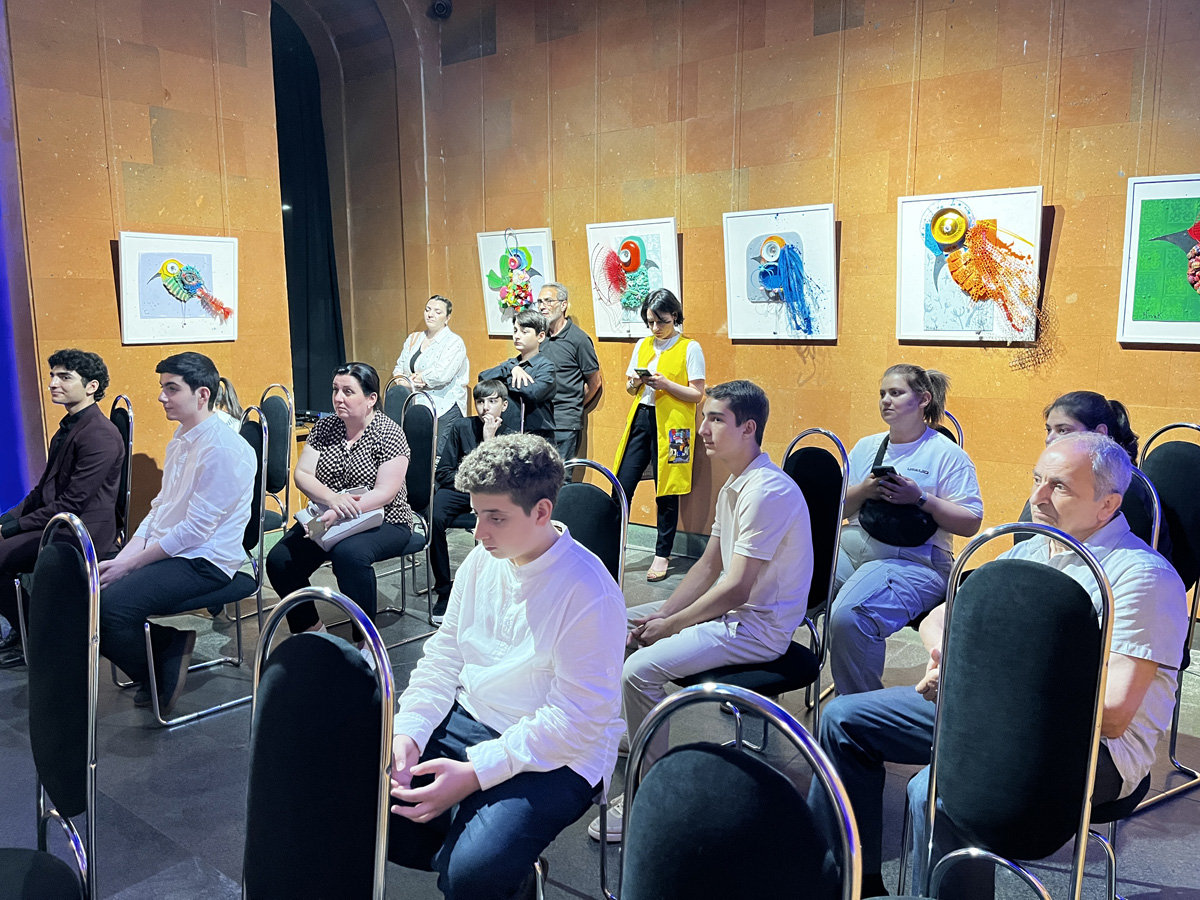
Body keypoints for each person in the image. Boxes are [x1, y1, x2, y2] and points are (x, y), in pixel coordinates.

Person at [816, 433, 1188, 899]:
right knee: (843, 719)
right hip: (990, 716)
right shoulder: (1032, 549)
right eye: (1037, 479)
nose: (1038, 497)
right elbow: (938, 619)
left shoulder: (1143, 577)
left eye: (1059, 486)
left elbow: (1112, 715)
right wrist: (949, 659)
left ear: (1108, 505)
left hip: (1086, 750)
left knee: (937, 793)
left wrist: (976, 685)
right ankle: (851, 882)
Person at [388, 434, 625, 900]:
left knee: (472, 875)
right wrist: (409, 731)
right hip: (473, 716)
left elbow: (577, 720)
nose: (479, 533)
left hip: (563, 755)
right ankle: (496, 863)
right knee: (365, 805)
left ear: (541, 512)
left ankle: (500, 871)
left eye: (495, 517)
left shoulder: (589, 591)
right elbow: (444, 655)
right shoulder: (482, 560)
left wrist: (476, 773)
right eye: (477, 514)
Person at [590, 380, 813, 843]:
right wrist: (662, 616)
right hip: (734, 612)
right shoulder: (735, 482)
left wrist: (671, 624)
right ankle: (639, 729)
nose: (703, 429)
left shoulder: (766, 491)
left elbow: (736, 587)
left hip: (758, 627)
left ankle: (647, 794)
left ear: (748, 428)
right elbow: (708, 566)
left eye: (715, 419)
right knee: (617, 621)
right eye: (705, 417)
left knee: (638, 671)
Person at [98, 352, 255, 714]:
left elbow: (195, 532)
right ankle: (162, 653)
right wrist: (125, 557)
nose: (161, 397)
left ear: (202, 395)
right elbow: (160, 510)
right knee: (91, 592)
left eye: (171, 388)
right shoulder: (182, 437)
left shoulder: (224, 449)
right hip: (174, 551)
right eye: (162, 387)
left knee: (109, 609)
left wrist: (130, 565)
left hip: (207, 561)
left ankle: (161, 657)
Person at [829, 364, 983, 695]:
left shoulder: (947, 454)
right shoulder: (867, 446)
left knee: (849, 617)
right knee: (785, 582)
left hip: (916, 561)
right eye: (882, 394)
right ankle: (760, 679)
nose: (886, 400)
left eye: (896, 393)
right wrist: (865, 490)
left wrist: (920, 498)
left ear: (923, 399)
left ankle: (857, 711)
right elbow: (837, 509)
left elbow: (971, 521)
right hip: (854, 544)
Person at [266, 362, 413, 644]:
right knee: (280, 560)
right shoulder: (325, 427)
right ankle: (314, 633)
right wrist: (332, 500)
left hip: (386, 519)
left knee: (349, 555)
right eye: (335, 390)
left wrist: (340, 510)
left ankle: (366, 642)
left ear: (371, 399)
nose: (338, 398)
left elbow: (385, 492)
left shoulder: (389, 432)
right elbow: (302, 474)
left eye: (348, 391)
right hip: (328, 516)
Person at [0, 349, 125, 669]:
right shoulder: (70, 426)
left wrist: (14, 528)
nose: (53, 383)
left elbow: (71, 503)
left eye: (65, 377)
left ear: (92, 386)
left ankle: (37, 636)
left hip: (83, 530)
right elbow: (42, 490)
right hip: (59, 520)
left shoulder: (99, 434)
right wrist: (6, 519)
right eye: (53, 376)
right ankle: (28, 629)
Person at [613, 289, 706, 583]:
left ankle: (662, 554)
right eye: (650, 321)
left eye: (661, 321)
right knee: (621, 484)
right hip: (642, 417)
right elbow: (630, 388)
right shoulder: (643, 345)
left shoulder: (690, 347)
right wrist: (636, 382)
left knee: (667, 491)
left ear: (674, 316)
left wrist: (666, 384)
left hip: (675, 427)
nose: (655, 328)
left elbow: (697, 394)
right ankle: (612, 545)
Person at [1018, 390, 1172, 561]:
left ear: (1099, 433)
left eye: (1063, 430)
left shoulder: (1122, 488)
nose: (1050, 439)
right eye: (1049, 430)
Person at [429, 379, 511, 623]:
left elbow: (502, 479)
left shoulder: (511, 435)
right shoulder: (462, 426)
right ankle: (444, 590)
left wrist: (489, 440)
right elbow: (443, 472)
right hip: (461, 489)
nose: (485, 408)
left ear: (504, 405)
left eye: (492, 401)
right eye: (480, 402)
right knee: (434, 517)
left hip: (494, 494)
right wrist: (471, 484)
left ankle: (494, 588)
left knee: (505, 518)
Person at [394, 294, 470, 455]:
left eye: (437, 311)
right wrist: (406, 381)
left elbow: (441, 375)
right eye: (427, 310)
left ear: (447, 318)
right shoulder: (414, 338)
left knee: (438, 457)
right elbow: (399, 368)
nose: (430, 314)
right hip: (416, 406)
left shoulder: (454, 341)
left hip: (444, 407)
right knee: (415, 454)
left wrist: (415, 379)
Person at [536, 282, 602, 462]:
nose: (542, 306)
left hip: (564, 424)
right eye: (540, 302)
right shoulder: (539, 337)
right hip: (539, 421)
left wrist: (573, 406)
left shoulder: (578, 339)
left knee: (561, 475)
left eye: (548, 301)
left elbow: (594, 382)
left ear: (563, 305)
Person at [478, 309, 556, 441]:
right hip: (509, 434)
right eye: (515, 331)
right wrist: (511, 369)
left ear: (540, 336)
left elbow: (533, 392)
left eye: (524, 332)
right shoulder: (510, 365)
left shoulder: (546, 367)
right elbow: (483, 378)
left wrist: (505, 381)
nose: (517, 336)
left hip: (538, 436)